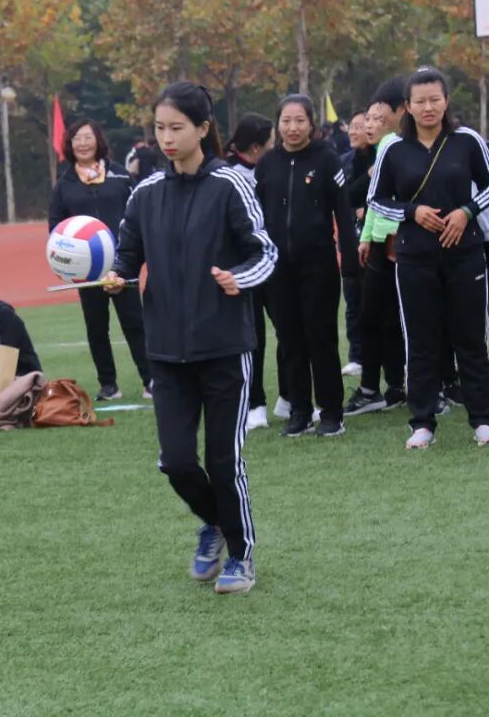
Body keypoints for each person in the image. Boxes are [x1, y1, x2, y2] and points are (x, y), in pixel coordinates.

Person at [104, 82, 276, 595]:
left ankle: (241, 555)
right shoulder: (145, 192)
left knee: (224, 462)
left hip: (224, 348)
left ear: (203, 129)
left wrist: (238, 278)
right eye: (160, 127)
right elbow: (127, 254)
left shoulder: (231, 183)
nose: (166, 137)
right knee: (175, 461)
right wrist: (116, 274)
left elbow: (264, 252)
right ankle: (216, 523)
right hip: (166, 352)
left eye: (176, 127)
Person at [369, 67, 489, 448]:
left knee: (471, 338)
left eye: (435, 99)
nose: (428, 107)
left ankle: (482, 420)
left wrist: (466, 212)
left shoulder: (467, 141)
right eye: (420, 101)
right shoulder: (394, 148)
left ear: (446, 101)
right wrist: (413, 213)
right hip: (414, 258)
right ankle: (422, 422)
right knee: (421, 341)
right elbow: (377, 199)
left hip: (466, 255)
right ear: (407, 107)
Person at [255, 94, 358, 438]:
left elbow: (343, 212)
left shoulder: (326, 159)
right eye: (286, 121)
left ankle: (331, 412)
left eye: (300, 120)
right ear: (278, 124)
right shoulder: (267, 164)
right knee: (289, 342)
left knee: (320, 339)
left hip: (318, 266)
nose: (293, 127)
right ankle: (299, 412)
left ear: (312, 124)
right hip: (277, 268)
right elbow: (255, 216)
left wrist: (349, 262)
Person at [48, 117, 151, 401]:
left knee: (135, 323)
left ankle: (151, 380)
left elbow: (137, 214)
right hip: (87, 270)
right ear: (69, 145)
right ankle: (108, 385)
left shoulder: (120, 175)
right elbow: (55, 228)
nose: (82, 143)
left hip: (123, 265)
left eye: (87, 137)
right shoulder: (64, 185)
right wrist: (64, 261)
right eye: (76, 138)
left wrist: (135, 253)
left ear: (98, 141)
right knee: (96, 328)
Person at [344, 78, 408, 416]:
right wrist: (367, 236)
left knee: (386, 319)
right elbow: (373, 201)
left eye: (379, 117)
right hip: (381, 243)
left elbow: (382, 200)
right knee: (378, 318)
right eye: (369, 117)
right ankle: (386, 387)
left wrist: (375, 234)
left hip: (397, 243)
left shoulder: (396, 147)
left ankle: (383, 388)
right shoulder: (382, 150)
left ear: (400, 112)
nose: (370, 124)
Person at [225, 113, 281, 430]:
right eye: (271, 142)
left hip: (274, 261)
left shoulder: (271, 168)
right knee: (253, 336)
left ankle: (290, 398)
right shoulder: (227, 175)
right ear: (257, 147)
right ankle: (255, 403)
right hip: (245, 266)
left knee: (288, 332)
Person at [339, 110, 369, 378]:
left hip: (377, 241)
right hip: (350, 241)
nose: (353, 131)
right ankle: (357, 356)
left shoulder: (383, 158)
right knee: (352, 301)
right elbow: (342, 198)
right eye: (352, 127)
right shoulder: (344, 161)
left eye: (359, 126)